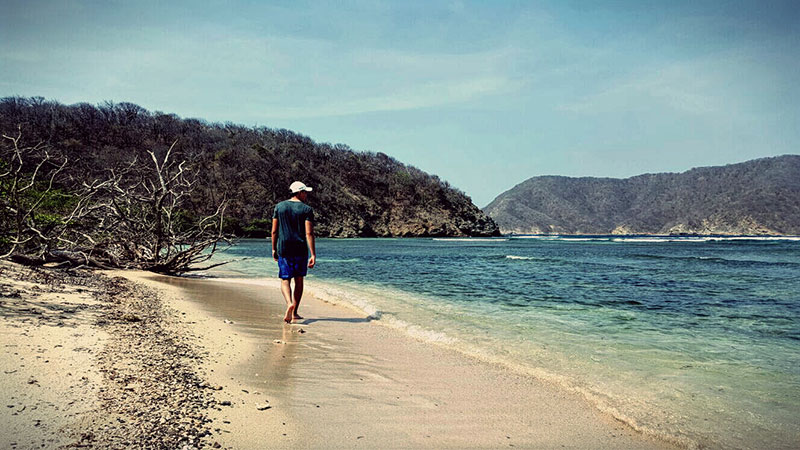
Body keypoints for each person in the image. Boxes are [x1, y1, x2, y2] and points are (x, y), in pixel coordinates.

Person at [271, 181, 316, 323]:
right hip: (300, 248)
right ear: (300, 192)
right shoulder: (306, 209)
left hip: (284, 247)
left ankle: (289, 303)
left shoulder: (279, 207)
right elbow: (309, 233)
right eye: (305, 192)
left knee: (285, 280)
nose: (306, 195)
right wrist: (313, 253)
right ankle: (295, 311)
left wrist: (273, 248)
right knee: (299, 280)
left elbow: (274, 231)